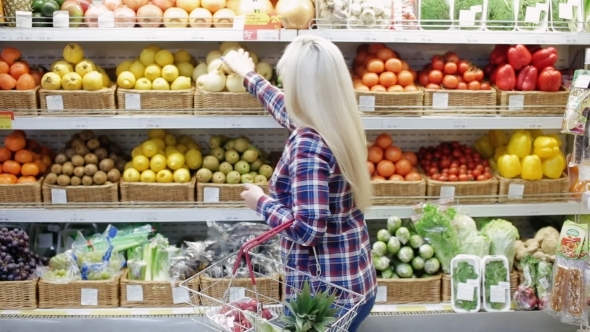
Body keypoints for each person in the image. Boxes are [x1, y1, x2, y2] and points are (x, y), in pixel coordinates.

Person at [222, 35, 377, 332]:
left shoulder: (308, 147)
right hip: (356, 280)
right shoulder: (339, 122)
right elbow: (285, 108)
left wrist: (261, 203)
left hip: (325, 299)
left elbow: (307, 230)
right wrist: (247, 75)